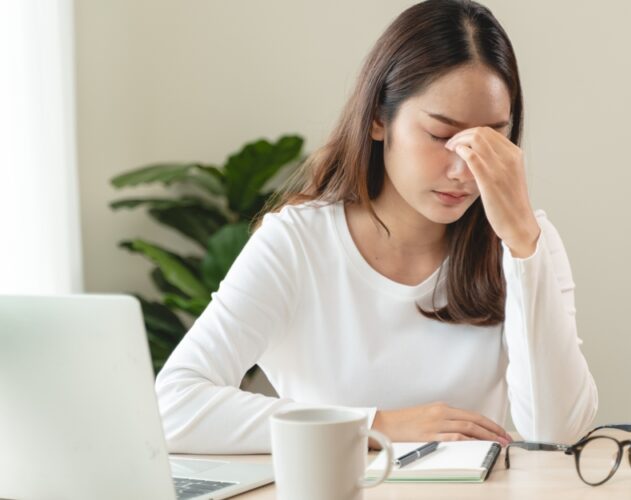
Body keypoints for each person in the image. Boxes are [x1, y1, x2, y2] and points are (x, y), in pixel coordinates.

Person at [155, 0, 598, 454]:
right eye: (442, 136)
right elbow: (173, 405)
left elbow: (555, 430)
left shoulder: (527, 243)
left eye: (489, 140)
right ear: (378, 118)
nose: (465, 169)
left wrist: (523, 243)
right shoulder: (298, 243)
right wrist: (376, 425)